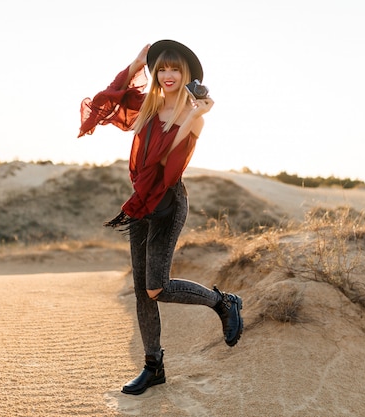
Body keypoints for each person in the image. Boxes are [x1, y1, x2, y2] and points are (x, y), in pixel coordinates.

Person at [77, 40, 243, 395]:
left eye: (175, 69)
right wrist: (137, 62)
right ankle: (154, 366)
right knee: (142, 292)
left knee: (157, 287)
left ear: (187, 75)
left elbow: (171, 160)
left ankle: (223, 302)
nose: (167, 75)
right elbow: (108, 99)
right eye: (162, 69)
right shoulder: (147, 106)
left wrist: (194, 114)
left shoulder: (193, 114)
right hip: (140, 201)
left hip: (166, 201)